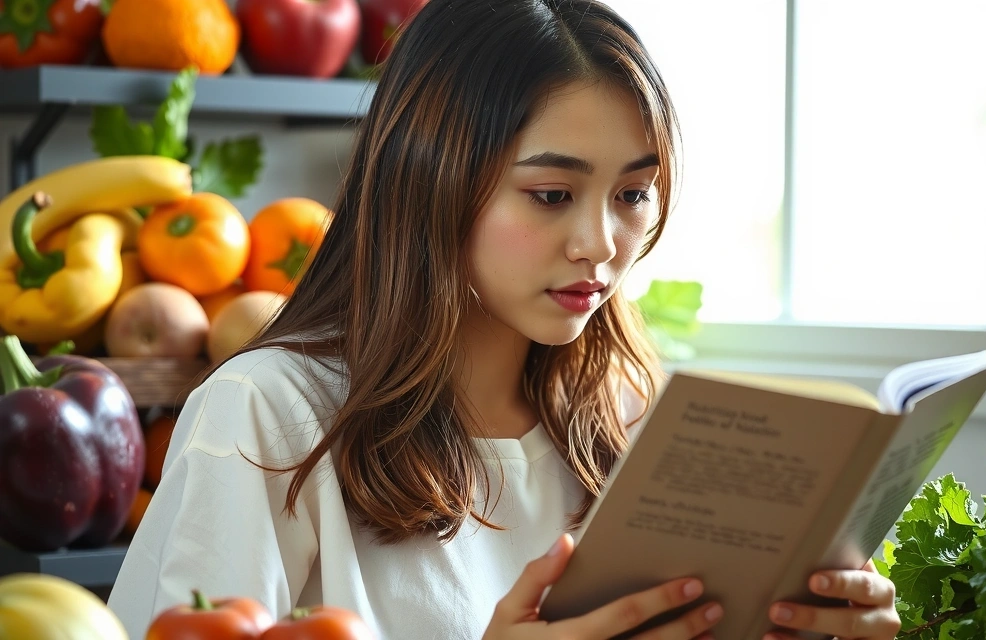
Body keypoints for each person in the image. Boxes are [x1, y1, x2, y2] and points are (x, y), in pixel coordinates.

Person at [106, 1, 902, 639]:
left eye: (632, 194)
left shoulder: (630, 411)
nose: (600, 244)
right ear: (428, 179)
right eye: (552, 195)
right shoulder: (264, 417)